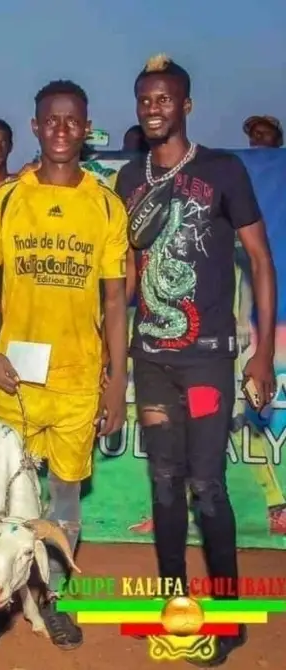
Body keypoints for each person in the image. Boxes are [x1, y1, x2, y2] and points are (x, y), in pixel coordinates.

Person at [115, 54, 277, 667]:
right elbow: (128, 275)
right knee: (162, 485)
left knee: (207, 486)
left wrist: (260, 353)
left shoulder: (223, 170)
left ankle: (230, 618)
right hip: (152, 358)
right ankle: (172, 603)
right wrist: (110, 342)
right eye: (145, 99)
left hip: (209, 360)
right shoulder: (129, 180)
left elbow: (260, 259)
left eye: (165, 99)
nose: (154, 108)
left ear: (186, 104)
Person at [0, 79, 129, 657]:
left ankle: (55, 601)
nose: (61, 128)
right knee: (7, 501)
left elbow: (114, 301)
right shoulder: (7, 199)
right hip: (17, 379)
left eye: (72, 120)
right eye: (50, 120)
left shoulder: (106, 205)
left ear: (86, 129)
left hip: (80, 380)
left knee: (63, 504)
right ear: (35, 127)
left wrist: (118, 381)